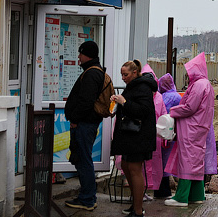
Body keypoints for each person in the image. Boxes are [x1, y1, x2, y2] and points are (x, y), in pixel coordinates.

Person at [164, 53, 215, 207]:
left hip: (190, 129)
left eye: (189, 71)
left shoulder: (198, 85)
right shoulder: (207, 85)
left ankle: (181, 197)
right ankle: (197, 195)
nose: (188, 75)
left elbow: (189, 107)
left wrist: (172, 111)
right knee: (196, 162)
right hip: (200, 128)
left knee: (186, 161)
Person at [110, 60, 157, 217]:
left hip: (138, 136)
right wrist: (117, 104)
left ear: (135, 73)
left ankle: (138, 210)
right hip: (130, 136)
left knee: (135, 170)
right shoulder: (133, 86)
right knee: (126, 165)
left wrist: (124, 102)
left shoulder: (143, 87)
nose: (123, 78)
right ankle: (135, 205)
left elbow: (143, 111)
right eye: (121, 74)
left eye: (126, 74)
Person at [64, 40, 106, 211]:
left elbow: (85, 102)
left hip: (84, 125)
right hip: (86, 124)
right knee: (82, 159)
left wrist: (75, 119)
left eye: (80, 53)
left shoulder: (91, 74)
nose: (78, 57)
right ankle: (86, 196)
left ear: (87, 54)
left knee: (84, 160)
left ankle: (87, 199)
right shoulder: (94, 72)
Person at [140, 65, 166, 199]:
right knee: (140, 165)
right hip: (140, 136)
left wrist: (164, 135)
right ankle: (139, 191)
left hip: (154, 137)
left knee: (152, 166)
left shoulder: (159, 97)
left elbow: (164, 116)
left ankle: (145, 190)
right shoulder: (138, 95)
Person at [154, 73, 181, 198]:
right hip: (173, 133)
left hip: (162, 133)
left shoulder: (162, 97)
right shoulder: (176, 96)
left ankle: (161, 190)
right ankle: (165, 191)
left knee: (161, 162)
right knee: (168, 162)